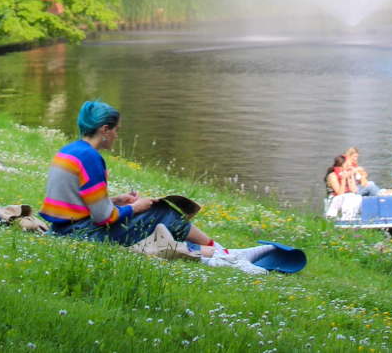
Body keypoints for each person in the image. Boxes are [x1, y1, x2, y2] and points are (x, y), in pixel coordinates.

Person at [40, 100, 268, 272]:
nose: (117, 137)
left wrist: (118, 201)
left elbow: (76, 202)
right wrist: (135, 208)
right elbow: (103, 219)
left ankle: (222, 254)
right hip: (82, 234)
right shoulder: (91, 157)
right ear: (105, 130)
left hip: (62, 231)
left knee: (157, 219)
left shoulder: (69, 151)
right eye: (117, 131)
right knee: (161, 211)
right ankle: (226, 253)